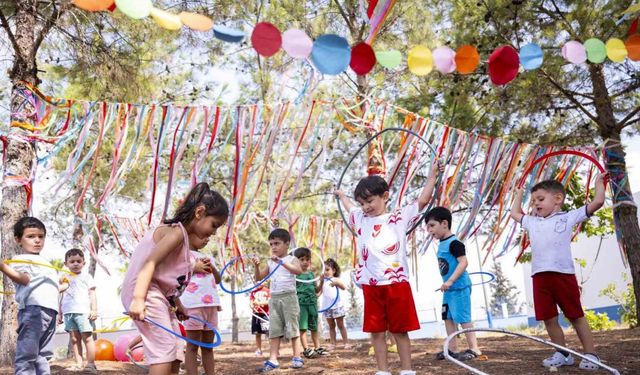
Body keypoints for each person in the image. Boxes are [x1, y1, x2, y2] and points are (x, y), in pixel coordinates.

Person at [334, 161, 440, 375]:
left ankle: (407, 370)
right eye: (362, 203)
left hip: (396, 283)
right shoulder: (360, 217)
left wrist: (431, 177)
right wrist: (341, 195)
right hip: (371, 285)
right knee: (376, 332)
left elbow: (422, 200)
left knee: (400, 330)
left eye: (370, 201)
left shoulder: (398, 217)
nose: (366, 207)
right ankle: (382, 371)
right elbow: (349, 207)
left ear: (385, 195)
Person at [122, 182, 229, 375]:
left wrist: (177, 303)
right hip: (143, 290)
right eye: (214, 225)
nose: (214, 232)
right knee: (164, 348)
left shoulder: (183, 239)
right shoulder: (176, 232)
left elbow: (166, 278)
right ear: (199, 212)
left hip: (158, 293)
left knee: (175, 346)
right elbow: (150, 264)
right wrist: (138, 299)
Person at [511, 175, 606, 370]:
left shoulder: (568, 216)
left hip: (562, 275)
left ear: (557, 199)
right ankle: (562, 353)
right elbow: (514, 213)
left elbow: (598, 201)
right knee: (549, 318)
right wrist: (519, 194)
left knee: (575, 315)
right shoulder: (531, 222)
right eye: (533, 200)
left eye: (540, 199)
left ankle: (591, 354)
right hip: (539, 277)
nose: (535, 203)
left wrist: (599, 184)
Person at [0, 217, 62, 375]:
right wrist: (2, 266)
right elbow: (24, 279)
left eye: (41, 237)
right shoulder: (20, 259)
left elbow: (51, 288)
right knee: (27, 356)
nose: (37, 240)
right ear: (18, 240)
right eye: (31, 236)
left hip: (50, 312)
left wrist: (64, 285)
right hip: (33, 310)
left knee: (42, 355)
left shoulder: (45, 262)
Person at [425, 207, 482, 361]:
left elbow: (463, 262)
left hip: (459, 287)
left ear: (444, 223)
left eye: (432, 225)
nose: (429, 230)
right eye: (427, 227)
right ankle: (452, 349)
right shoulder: (442, 244)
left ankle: (474, 348)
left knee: (464, 318)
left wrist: (450, 281)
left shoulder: (454, 243)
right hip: (448, 290)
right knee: (447, 317)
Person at [252, 228, 304, 372]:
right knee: (274, 330)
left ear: (287, 244)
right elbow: (258, 278)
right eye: (271, 244)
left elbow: (298, 271)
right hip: (274, 299)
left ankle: (297, 356)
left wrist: (281, 262)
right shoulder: (270, 262)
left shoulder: (291, 259)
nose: (273, 247)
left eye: (277, 243)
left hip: (289, 297)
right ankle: (273, 359)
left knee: (292, 327)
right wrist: (256, 266)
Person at [179, 247, 223, 375]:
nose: (207, 239)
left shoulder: (208, 256)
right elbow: (176, 275)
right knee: (192, 347)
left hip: (211, 305)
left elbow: (218, 280)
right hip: (192, 305)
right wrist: (193, 268)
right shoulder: (182, 254)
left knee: (208, 347)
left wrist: (213, 269)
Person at [58, 248, 98, 373]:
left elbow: (92, 294)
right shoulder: (64, 278)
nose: (75, 264)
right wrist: (59, 313)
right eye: (72, 261)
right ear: (66, 264)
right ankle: (79, 363)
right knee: (74, 339)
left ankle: (91, 364)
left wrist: (94, 310)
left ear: (83, 263)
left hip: (83, 312)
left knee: (87, 338)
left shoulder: (87, 277)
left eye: (78, 261)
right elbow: (61, 296)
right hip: (68, 313)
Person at [294, 247, 325, 358]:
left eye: (307, 259)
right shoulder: (295, 275)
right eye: (302, 260)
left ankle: (318, 348)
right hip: (302, 304)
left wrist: (321, 282)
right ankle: (306, 349)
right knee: (303, 327)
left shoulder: (311, 275)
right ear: (296, 261)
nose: (305, 262)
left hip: (312, 304)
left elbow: (317, 290)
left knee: (314, 327)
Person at [321, 258, 349, 351]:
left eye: (328, 269)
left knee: (340, 325)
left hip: (337, 306)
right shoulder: (323, 281)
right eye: (324, 269)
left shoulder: (336, 279)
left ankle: (346, 343)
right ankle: (333, 344)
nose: (325, 272)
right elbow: (319, 292)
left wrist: (337, 283)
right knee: (331, 326)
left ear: (334, 270)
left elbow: (343, 287)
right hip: (327, 307)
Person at [249, 284, 271, 356]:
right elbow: (251, 302)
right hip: (256, 314)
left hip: (265, 315)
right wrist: (252, 306)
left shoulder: (268, 291)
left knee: (269, 333)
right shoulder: (253, 292)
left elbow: (269, 301)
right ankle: (259, 350)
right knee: (257, 333)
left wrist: (259, 303)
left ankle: (273, 350)